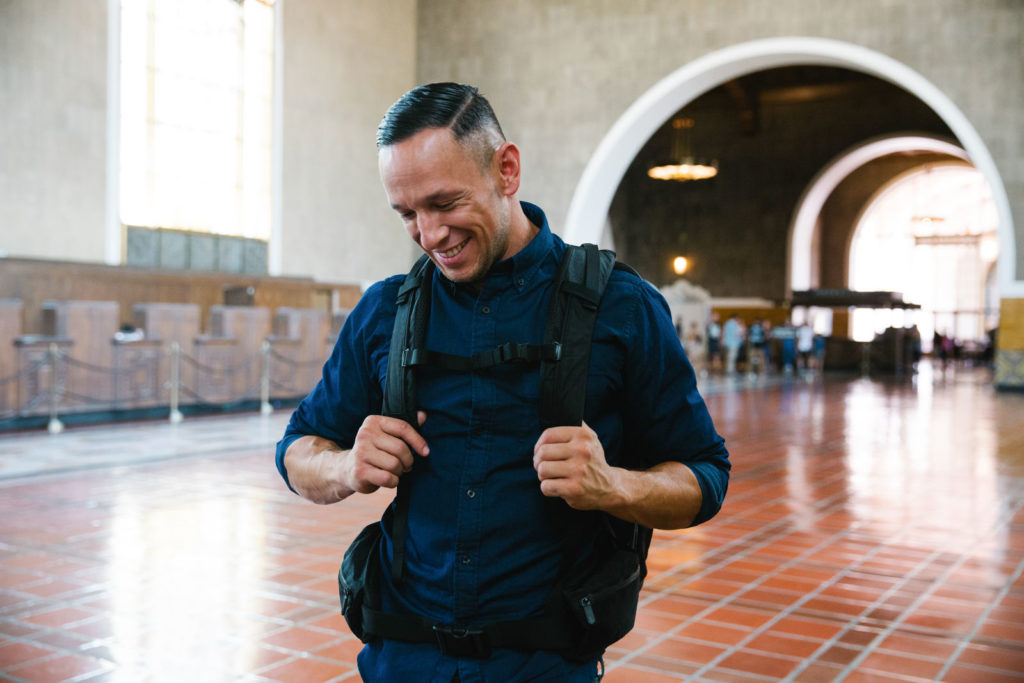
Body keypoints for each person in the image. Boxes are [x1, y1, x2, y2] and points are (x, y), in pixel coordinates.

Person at [275, 83, 730, 683]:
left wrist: (613, 485)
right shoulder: (385, 310)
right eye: (408, 213)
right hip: (401, 657)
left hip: (544, 663)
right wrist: (344, 467)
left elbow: (705, 475)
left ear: (506, 170)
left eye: (444, 203)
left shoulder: (621, 307)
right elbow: (297, 450)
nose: (429, 234)